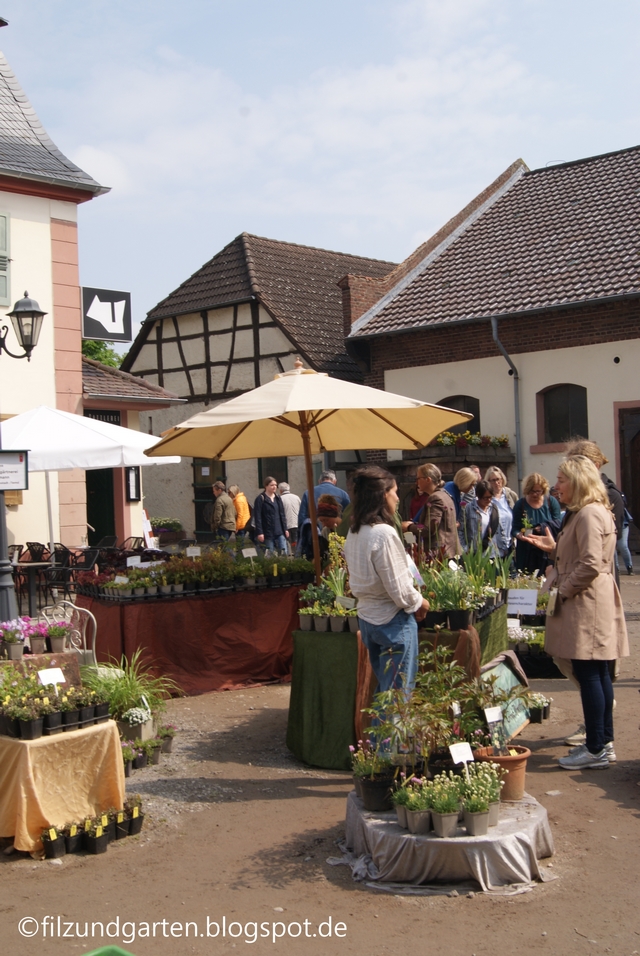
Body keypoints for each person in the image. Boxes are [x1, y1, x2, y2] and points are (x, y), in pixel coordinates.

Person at [525, 456, 629, 769]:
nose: (556, 486)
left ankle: (596, 747)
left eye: (561, 480)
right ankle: (601, 743)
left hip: (585, 603)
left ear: (578, 482)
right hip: (588, 601)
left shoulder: (588, 514)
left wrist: (564, 590)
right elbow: (583, 555)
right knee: (595, 673)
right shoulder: (586, 513)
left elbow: (591, 564)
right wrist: (553, 549)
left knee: (591, 674)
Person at [343, 465, 429, 696]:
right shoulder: (383, 533)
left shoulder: (355, 531)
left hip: (368, 618)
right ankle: (385, 734)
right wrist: (420, 601)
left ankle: (378, 734)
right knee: (397, 700)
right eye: (395, 491)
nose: (398, 497)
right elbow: (399, 589)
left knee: (386, 693)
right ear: (383, 495)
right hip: (392, 621)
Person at [565, 439, 630, 579]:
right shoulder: (576, 494)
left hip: (597, 576)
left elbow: (612, 536)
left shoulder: (611, 494)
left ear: (595, 466)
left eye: (577, 467)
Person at [512, 473, 562, 574]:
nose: (535, 494)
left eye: (538, 491)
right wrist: (519, 535)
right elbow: (515, 528)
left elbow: (558, 524)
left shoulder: (550, 502)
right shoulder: (520, 504)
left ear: (543, 490)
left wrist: (543, 527)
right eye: (532, 491)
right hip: (526, 550)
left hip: (546, 551)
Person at [409, 463, 459, 558]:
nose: (416, 482)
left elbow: (429, 530)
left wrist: (409, 527)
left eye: (418, 478)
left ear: (428, 479)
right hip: (448, 552)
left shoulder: (436, 498)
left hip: (440, 555)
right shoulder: (445, 494)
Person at [296, 494, 342, 563]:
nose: (324, 524)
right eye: (321, 521)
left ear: (335, 515)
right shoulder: (325, 531)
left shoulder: (346, 529)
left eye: (326, 520)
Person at [484, 466, 516, 556]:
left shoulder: (510, 495)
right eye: (493, 480)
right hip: (492, 547)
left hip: (510, 544)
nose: (496, 483)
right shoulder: (486, 499)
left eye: (498, 479)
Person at [461, 480, 500, 552]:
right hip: (474, 552)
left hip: (491, 552)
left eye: (490, 497)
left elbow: (498, 529)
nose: (488, 500)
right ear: (478, 495)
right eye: (485, 498)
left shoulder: (493, 508)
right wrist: (465, 549)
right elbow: (461, 530)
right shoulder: (468, 508)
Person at [253, 477, 289, 552]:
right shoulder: (261, 498)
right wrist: (260, 532)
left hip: (279, 531)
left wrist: (285, 529)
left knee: (284, 553)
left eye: (275, 485)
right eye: (271, 485)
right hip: (267, 532)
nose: (274, 487)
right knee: (270, 554)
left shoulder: (278, 498)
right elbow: (258, 517)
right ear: (266, 486)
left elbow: (282, 514)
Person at [278, 482, 301, 547]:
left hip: (286, 525)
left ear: (280, 490)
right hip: (297, 524)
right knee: (296, 542)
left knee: (287, 543)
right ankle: (297, 555)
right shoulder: (296, 497)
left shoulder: (280, 499)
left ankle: (289, 555)